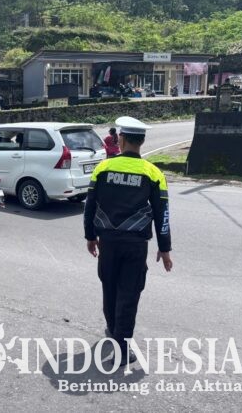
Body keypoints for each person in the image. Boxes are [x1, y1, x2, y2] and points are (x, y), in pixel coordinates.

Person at [84, 116, 173, 365]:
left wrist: (90, 236)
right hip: (135, 245)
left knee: (110, 289)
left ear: (120, 140)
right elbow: (162, 214)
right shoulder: (153, 173)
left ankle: (114, 331)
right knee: (129, 295)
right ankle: (122, 349)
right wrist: (164, 248)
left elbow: (90, 206)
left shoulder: (103, 168)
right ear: (141, 142)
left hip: (108, 242)